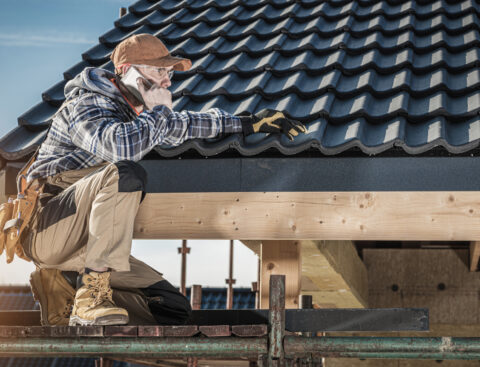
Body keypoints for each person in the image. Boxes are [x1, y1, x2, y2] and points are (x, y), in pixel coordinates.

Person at [12, 33, 306, 326]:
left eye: (168, 73)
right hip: (49, 227)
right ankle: (91, 296)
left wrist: (248, 123)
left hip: (85, 251)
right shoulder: (86, 105)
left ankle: (66, 286)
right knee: (127, 173)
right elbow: (120, 148)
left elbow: (187, 123)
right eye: (158, 71)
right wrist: (159, 112)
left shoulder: (135, 114)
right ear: (127, 71)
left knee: (172, 310)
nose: (166, 81)